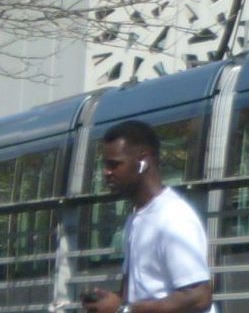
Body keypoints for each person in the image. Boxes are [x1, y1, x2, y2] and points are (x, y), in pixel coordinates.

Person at [79, 121, 216, 313]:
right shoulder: (136, 218)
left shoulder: (173, 217)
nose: (106, 173)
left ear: (143, 161)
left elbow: (198, 297)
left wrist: (124, 310)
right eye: (105, 165)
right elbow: (137, 297)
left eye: (114, 164)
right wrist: (109, 303)